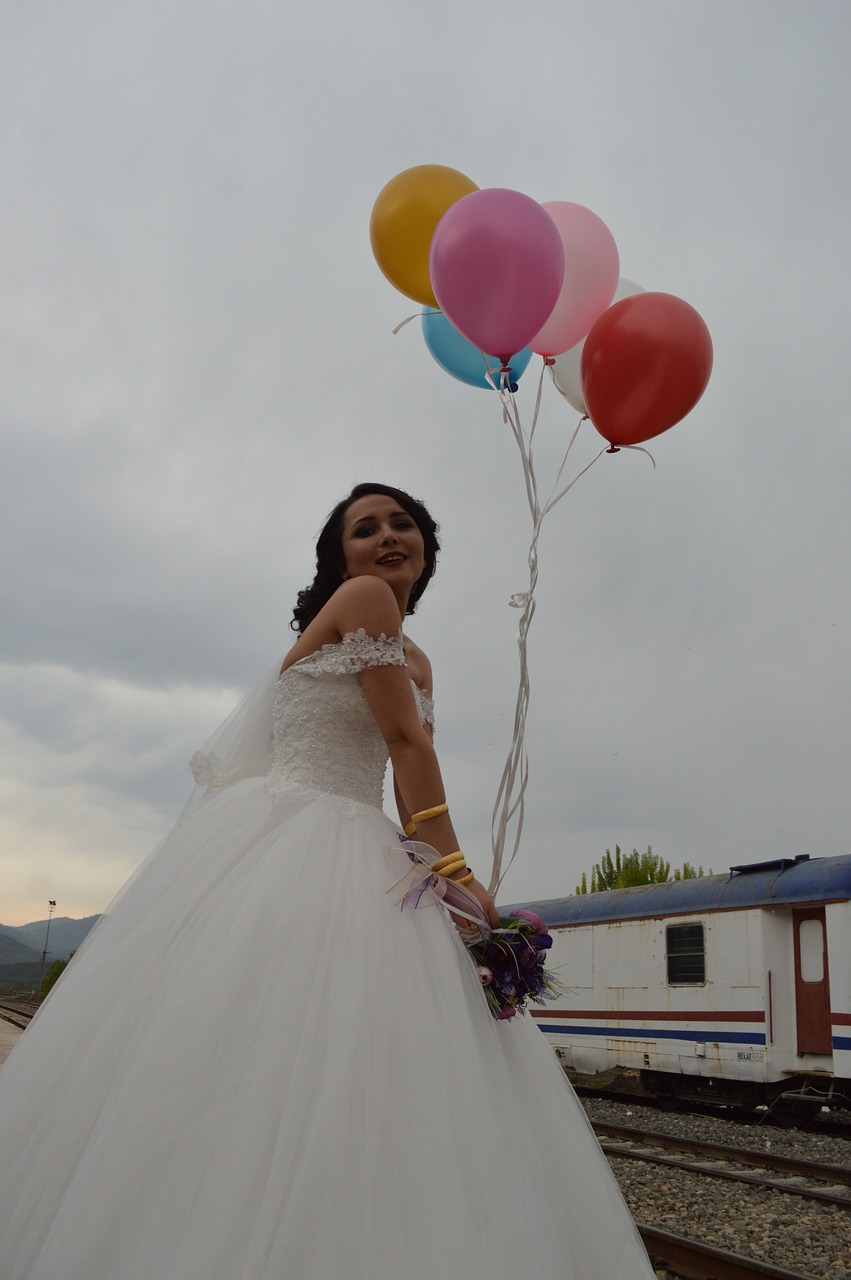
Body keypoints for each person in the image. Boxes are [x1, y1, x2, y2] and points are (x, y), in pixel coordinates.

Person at [0, 483, 655, 1279]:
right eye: (363, 529)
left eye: (401, 523)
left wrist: (434, 867)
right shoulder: (366, 598)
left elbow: (408, 772)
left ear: (427, 545)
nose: (386, 538)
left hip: (359, 837)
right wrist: (459, 876)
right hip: (307, 832)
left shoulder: (416, 656)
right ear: (339, 557)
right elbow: (404, 741)